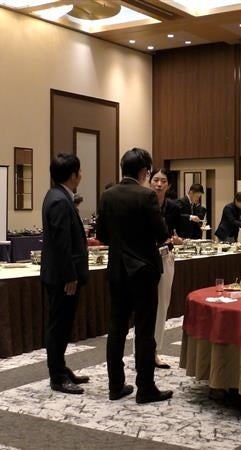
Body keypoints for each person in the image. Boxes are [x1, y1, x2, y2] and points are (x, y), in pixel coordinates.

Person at [97, 148, 172, 404]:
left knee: (116, 328)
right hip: (143, 270)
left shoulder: (107, 195)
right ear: (143, 172)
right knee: (144, 330)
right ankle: (145, 388)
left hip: (117, 269)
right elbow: (161, 233)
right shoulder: (146, 195)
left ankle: (115, 385)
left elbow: (102, 235)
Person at [40, 153, 91, 395]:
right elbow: (62, 244)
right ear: (73, 175)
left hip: (61, 273)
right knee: (58, 325)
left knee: (63, 323)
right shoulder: (60, 200)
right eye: (79, 171)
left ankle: (60, 367)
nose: (81, 175)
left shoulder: (57, 195)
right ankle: (57, 376)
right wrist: (70, 275)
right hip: (63, 276)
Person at [149, 168, 182, 369]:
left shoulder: (174, 208)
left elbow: (177, 234)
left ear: (168, 185)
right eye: (156, 180)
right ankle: (141, 351)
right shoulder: (143, 203)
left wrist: (177, 239)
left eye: (163, 181)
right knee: (145, 307)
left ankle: (155, 351)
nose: (159, 184)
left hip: (165, 257)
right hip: (145, 258)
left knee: (162, 305)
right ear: (149, 182)